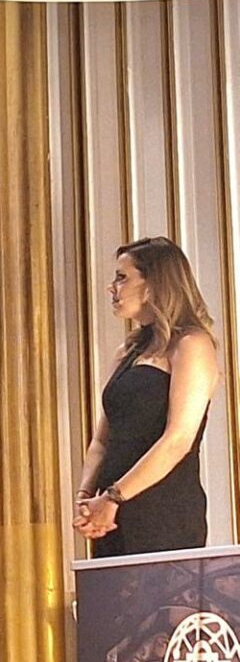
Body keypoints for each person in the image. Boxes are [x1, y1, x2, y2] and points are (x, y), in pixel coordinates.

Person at [74, 237, 218, 557]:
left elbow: (178, 439)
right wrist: (86, 497)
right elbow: (102, 440)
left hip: (164, 512)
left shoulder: (192, 345)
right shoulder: (127, 351)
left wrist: (113, 496)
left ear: (154, 283)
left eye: (122, 278)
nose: (112, 288)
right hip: (112, 513)